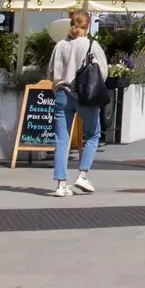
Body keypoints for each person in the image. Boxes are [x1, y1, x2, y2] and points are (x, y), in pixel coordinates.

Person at [47, 10, 109, 198]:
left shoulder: (59, 46)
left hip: (62, 95)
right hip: (85, 96)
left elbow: (50, 72)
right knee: (92, 134)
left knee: (61, 140)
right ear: (87, 25)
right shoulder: (92, 45)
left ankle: (60, 184)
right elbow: (103, 72)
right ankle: (82, 175)